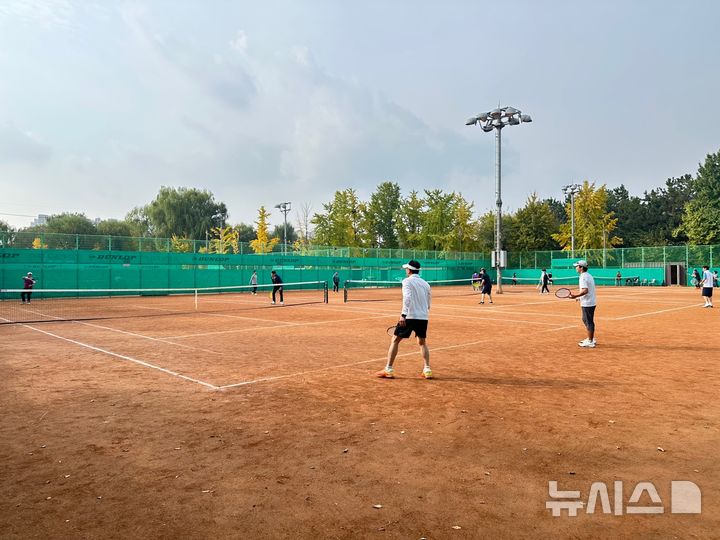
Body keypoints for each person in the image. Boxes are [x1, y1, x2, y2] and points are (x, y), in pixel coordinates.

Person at [376, 260, 432, 380]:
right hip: (423, 317)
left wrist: (403, 314)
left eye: (406, 268)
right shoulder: (426, 284)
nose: (406, 270)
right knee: (422, 343)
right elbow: (428, 304)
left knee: (395, 340)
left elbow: (407, 297)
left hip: (409, 316)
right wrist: (422, 312)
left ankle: (388, 369)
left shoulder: (407, 281)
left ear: (409, 270)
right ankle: (427, 370)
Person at [567, 260, 597, 348]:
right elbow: (588, 290)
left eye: (577, 266)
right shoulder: (588, 275)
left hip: (588, 303)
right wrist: (579, 298)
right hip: (590, 301)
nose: (575, 268)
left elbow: (585, 290)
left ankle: (590, 341)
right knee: (585, 319)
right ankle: (591, 338)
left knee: (588, 321)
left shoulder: (583, 277)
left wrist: (575, 295)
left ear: (581, 267)